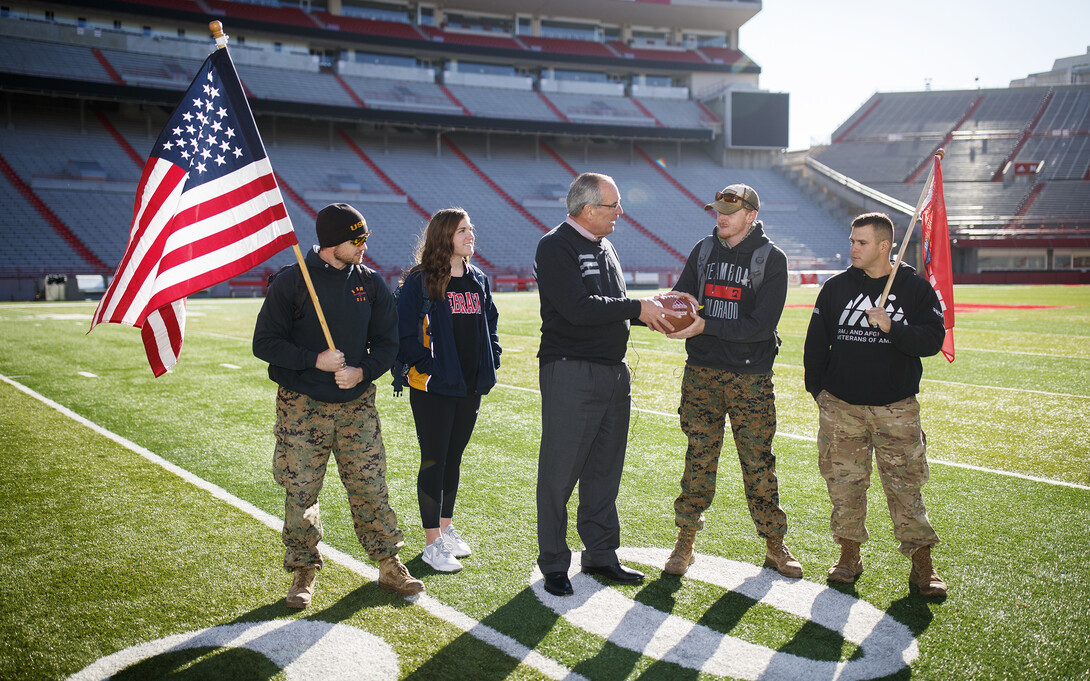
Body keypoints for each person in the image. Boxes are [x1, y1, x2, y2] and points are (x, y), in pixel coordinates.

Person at [253, 202, 424, 608]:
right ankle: (303, 570)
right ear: (333, 243)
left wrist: (362, 371)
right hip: (301, 407)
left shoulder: (371, 282)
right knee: (301, 491)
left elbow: (388, 343)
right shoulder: (291, 282)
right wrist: (314, 360)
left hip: (356, 405)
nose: (365, 245)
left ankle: (389, 563)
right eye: (357, 238)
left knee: (370, 486)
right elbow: (264, 343)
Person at [533, 172, 684, 597]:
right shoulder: (555, 245)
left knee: (605, 470)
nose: (621, 212)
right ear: (587, 210)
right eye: (614, 205)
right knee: (560, 472)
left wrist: (651, 314)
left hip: (614, 370)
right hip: (571, 370)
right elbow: (578, 308)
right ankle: (554, 563)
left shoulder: (607, 246)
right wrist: (638, 306)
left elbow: (615, 308)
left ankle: (600, 553)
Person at [661, 183, 803, 579]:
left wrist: (705, 324)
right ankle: (685, 541)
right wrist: (667, 310)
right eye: (718, 209)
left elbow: (761, 326)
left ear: (751, 216)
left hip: (750, 377)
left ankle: (775, 544)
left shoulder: (771, 258)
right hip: (701, 373)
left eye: (730, 210)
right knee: (698, 458)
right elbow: (683, 297)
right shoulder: (702, 250)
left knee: (758, 462)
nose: (721, 216)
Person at [803, 212, 948, 597]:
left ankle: (922, 565)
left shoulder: (915, 289)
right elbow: (816, 344)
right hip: (841, 408)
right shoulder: (835, 288)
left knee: (905, 487)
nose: (853, 247)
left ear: (885, 247)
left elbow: (933, 340)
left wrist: (892, 327)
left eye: (861, 242)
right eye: (852, 240)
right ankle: (848, 555)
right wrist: (818, 391)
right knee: (844, 486)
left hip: (896, 408)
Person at [396, 208, 502, 573]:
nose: (470, 235)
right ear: (444, 237)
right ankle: (431, 543)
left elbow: (491, 323)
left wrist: (494, 357)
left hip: (469, 386)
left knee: (453, 457)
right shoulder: (421, 280)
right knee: (434, 458)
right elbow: (404, 329)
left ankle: (445, 527)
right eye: (462, 230)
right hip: (434, 387)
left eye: (471, 228)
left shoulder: (478, 280)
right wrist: (425, 365)